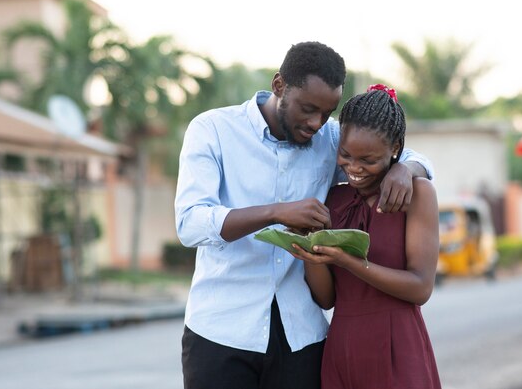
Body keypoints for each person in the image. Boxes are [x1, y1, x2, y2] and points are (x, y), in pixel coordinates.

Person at [174, 42, 434, 389]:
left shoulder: (329, 140)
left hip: (302, 336)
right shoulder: (213, 130)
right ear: (279, 85)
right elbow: (190, 223)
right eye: (308, 109)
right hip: (222, 332)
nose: (316, 123)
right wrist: (276, 213)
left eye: (327, 113)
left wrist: (408, 168)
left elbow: (387, 148)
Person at [292, 85, 441, 389]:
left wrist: (349, 261)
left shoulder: (418, 193)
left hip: (398, 344)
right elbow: (328, 298)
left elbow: (420, 288)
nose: (354, 169)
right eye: (345, 155)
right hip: (342, 346)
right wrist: (310, 252)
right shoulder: (334, 199)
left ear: (395, 149)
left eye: (368, 160)